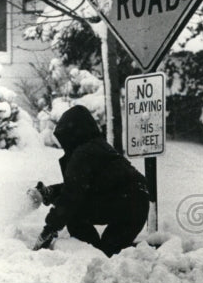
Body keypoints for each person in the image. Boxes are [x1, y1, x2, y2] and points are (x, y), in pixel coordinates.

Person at [32, 104, 150, 256]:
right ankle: (98, 255)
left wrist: (49, 229)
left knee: (74, 214)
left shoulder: (83, 153)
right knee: (109, 253)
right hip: (137, 204)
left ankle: (89, 253)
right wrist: (52, 191)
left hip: (125, 202)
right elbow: (82, 185)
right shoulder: (99, 147)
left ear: (72, 134)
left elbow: (72, 195)